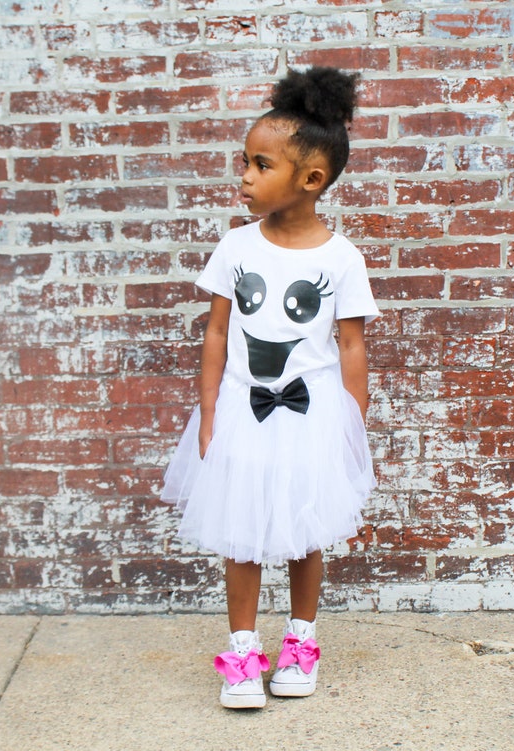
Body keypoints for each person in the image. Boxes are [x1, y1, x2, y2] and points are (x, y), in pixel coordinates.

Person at [160, 66, 379, 709]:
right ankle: (242, 654)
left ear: (309, 179)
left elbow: (351, 346)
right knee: (241, 530)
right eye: (245, 162)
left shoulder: (341, 259)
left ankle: (301, 646)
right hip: (240, 409)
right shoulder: (235, 247)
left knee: (305, 532)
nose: (246, 177)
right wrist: (207, 409)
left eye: (260, 164)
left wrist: (350, 426)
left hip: (311, 414)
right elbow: (217, 334)